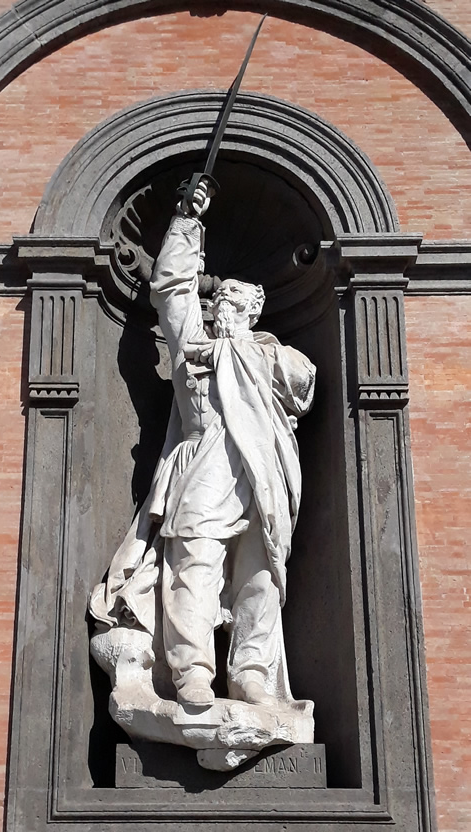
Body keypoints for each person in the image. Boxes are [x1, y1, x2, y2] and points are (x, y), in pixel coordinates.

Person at [90, 179, 316, 710]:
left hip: (263, 466)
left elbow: (303, 385)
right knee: (192, 560)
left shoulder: (275, 358)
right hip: (202, 460)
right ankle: (191, 670)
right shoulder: (194, 345)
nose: (221, 308)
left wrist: (236, 354)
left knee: (262, 571)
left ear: (254, 311)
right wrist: (188, 222)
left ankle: (251, 673)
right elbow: (171, 287)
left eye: (233, 301)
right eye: (217, 300)